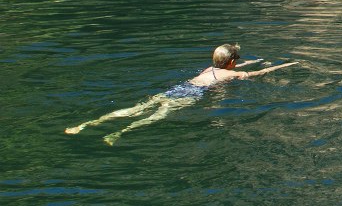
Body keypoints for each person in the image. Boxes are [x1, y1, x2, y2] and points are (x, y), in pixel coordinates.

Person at [65, 44, 298, 145]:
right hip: (190, 96)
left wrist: (253, 60)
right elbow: (261, 73)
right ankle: (119, 133)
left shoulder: (211, 69)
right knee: (154, 117)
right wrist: (286, 65)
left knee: (135, 109)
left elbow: (241, 64)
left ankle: (87, 124)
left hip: (176, 89)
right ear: (232, 63)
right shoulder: (230, 76)